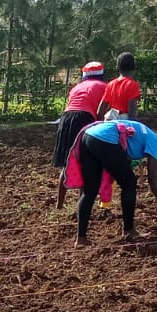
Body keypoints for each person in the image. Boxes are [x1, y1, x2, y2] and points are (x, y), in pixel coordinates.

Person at [67, 118, 157, 247]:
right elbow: (152, 177)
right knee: (129, 183)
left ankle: (81, 239)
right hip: (105, 139)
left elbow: (122, 168)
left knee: (90, 191)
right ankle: (129, 230)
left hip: (88, 136)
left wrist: (133, 197)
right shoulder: (156, 142)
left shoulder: (142, 135)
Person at [53, 62, 108, 207]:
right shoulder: (104, 87)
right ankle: (82, 205)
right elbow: (101, 112)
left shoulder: (76, 87)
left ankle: (59, 204)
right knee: (87, 164)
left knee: (67, 162)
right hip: (85, 118)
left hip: (66, 119)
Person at [101, 51, 141, 120]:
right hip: (124, 121)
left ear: (117, 68)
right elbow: (132, 112)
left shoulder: (110, 84)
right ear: (134, 67)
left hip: (110, 118)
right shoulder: (132, 85)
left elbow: (101, 109)